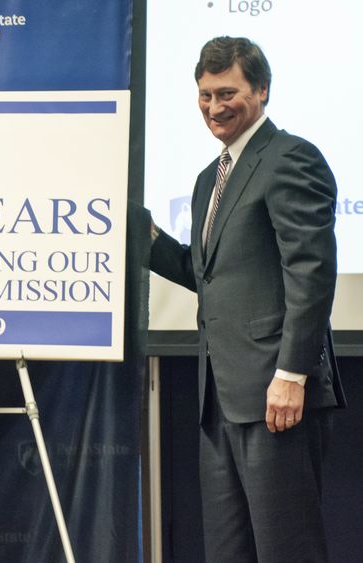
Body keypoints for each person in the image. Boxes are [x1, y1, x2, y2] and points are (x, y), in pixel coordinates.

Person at [150, 36, 345, 563]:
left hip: (275, 396)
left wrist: (291, 374)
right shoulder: (204, 180)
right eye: (205, 95)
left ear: (261, 91)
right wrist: (145, 240)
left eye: (227, 92)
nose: (215, 107)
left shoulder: (290, 158)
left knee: (289, 550)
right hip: (220, 398)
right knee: (227, 552)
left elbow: (311, 271)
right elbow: (210, 276)